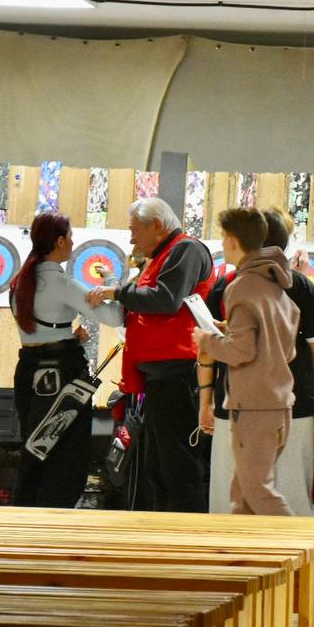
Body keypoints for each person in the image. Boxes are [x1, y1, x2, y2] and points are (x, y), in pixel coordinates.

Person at [87, 197, 216, 512]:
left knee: (179, 467)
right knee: (157, 468)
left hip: (179, 375)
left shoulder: (186, 250)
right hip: (161, 378)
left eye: (135, 230)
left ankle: (187, 534)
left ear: (156, 225)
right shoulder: (165, 254)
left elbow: (166, 299)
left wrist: (117, 292)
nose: (132, 239)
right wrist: (117, 288)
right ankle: (162, 531)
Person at [202, 209, 314, 516]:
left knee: (230, 501)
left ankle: (235, 550)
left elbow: (208, 353)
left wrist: (205, 401)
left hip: (234, 405)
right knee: (290, 498)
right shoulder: (301, 286)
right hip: (293, 404)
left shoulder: (226, 285)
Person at [9, 211, 124, 508]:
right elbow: (114, 316)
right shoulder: (59, 282)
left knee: (35, 450)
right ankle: (53, 521)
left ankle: (26, 518)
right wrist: (112, 282)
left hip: (29, 370)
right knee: (67, 456)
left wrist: (70, 337)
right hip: (62, 373)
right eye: (70, 237)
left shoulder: (21, 280)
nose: (73, 243)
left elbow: (37, 332)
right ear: (59, 241)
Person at [191, 208, 301, 515]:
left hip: (255, 406)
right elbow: (281, 347)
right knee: (242, 496)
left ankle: (302, 542)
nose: (221, 243)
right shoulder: (275, 283)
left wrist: (207, 340)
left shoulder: (242, 287)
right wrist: (230, 330)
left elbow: (241, 352)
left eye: (223, 237)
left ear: (232, 240)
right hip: (277, 402)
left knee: (257, 491)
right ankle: (247, 550)